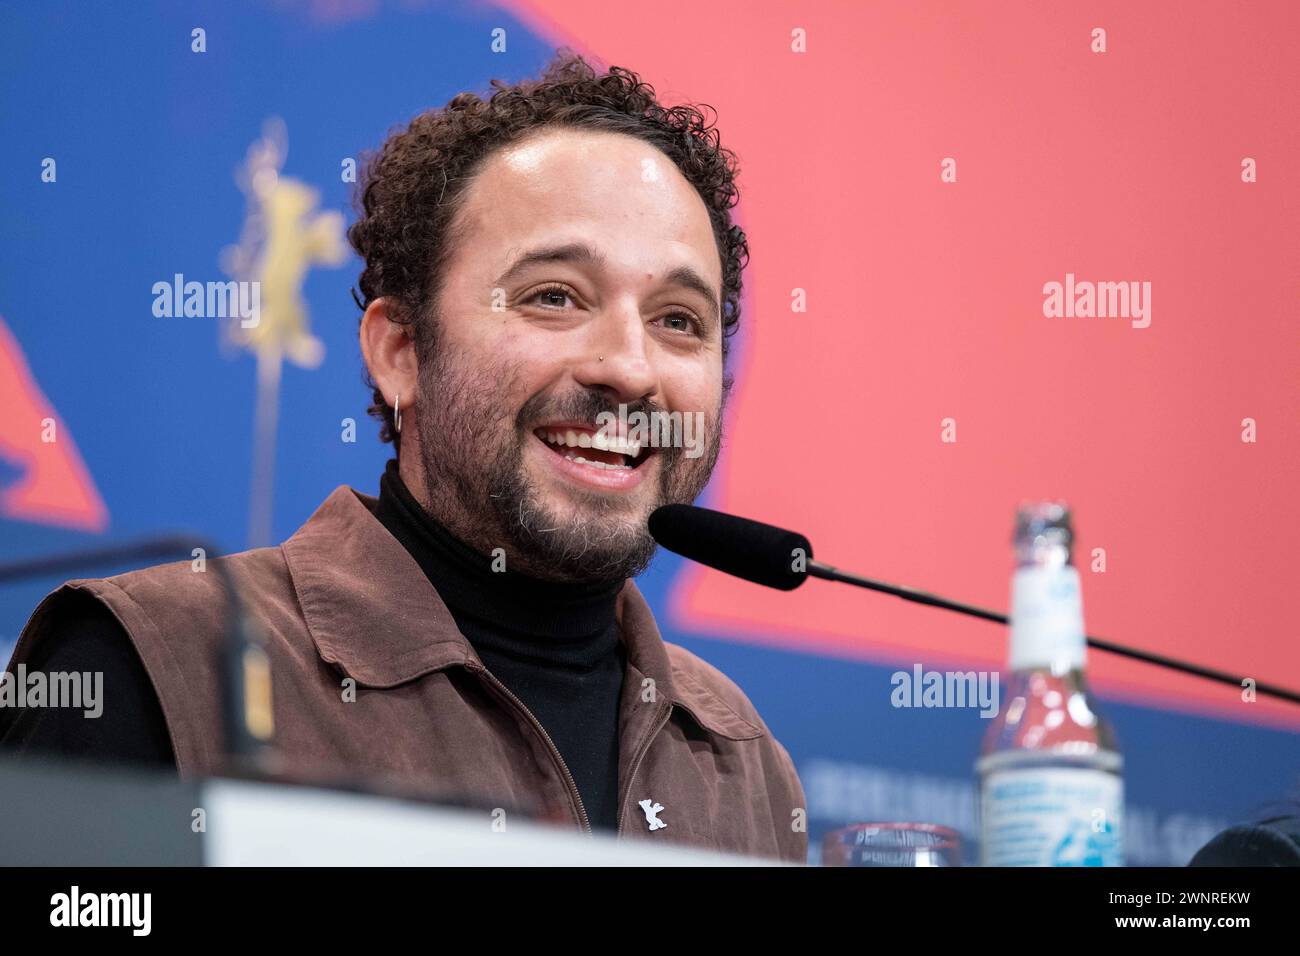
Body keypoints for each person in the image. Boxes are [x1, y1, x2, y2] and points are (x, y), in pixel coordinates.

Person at [0, 51, 806, 862]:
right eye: (553, 297)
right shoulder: (152, 661)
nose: (630, 368)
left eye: (678, 320)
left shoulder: (746, 763)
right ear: (400, 352)